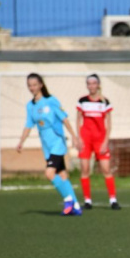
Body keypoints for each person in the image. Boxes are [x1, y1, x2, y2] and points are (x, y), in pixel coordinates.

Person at [16, 73, 82, 216]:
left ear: (41, 85)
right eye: (29, 85)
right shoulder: (30, 105)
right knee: (62, 174)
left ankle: (68, 200)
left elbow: (64, 118)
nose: (32, 87)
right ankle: (76, 206)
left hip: (57, 141)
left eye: (34, 84)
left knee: (49, 173)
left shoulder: (51, 101)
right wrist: (21, 141)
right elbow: (28, 125)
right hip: (46, 144)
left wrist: (74, 136)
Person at [76, 74, 121, 210]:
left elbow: (109, 124)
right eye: (89, 83)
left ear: (98, 84)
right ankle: (87, 200)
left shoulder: (104, 102)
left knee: (106, 169)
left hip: (100, 139)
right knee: (85, 169)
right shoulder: (82, 101)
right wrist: (79, 138)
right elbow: (78, 120)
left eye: (94, 83)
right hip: (86, 139)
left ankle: (113, 200)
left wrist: (105, 141)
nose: (91, 86)